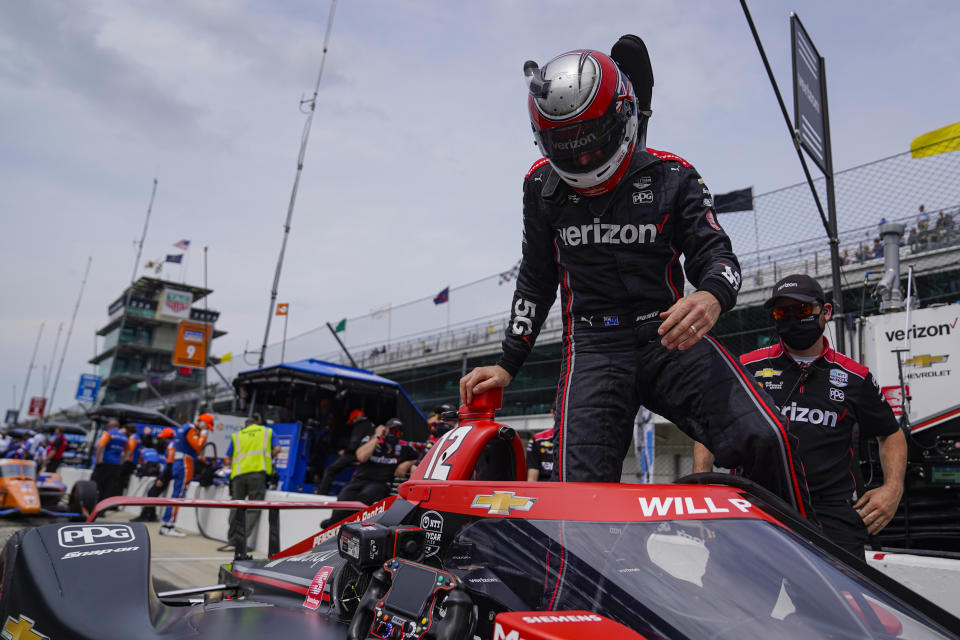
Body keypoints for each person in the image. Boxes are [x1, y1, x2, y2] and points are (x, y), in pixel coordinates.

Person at [459, 37, 814, 519]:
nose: (582, 160)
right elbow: (536, 279)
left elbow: (718, 256)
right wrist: (508, 363)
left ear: (624, 117)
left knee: (766, 437)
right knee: (575, 503)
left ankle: (807, 565)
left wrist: (712, 295)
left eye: (590, 143)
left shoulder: (675, 175)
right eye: (567, 146)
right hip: (592, 346)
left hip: (668, 335)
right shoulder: (540, 186)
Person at [693, 274, 906, 557]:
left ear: (826, 311)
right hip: (755, 506)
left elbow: (890, 433)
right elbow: (710, 426)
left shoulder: (855, 377)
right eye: (783, 311)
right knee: (738, 600)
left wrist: (893, 488)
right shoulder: (745, 367)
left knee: (834, 602)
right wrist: (702, 489)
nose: (792, 318)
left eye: (803, 310)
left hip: (829, 514)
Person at [320, 418, 417, 528]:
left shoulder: (404, 447)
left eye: (399, 432)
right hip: (359, 480)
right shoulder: (370, 439)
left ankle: (348, 526)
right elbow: (361, 457)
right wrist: (377, 437)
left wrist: (407, 463)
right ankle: (333, 524)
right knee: (344, 495)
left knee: (365, 497)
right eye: (392, 430)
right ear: (385, 430)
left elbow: (421, 458)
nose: (395, 434)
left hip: (381, 483)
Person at [224, 415, 279, 552]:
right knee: (254, 507)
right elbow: (277, 449)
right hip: (257, 474)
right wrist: (268, 457)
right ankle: (240, 542)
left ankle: (231, 540)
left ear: (246, 424)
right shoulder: (267, 432)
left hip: (238, 475)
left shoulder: (237, 436)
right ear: (258, 422)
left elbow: (228, 458)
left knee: (236, 506)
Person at [159, 413, 212, 537]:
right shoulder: (191, 429)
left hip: (180, 463)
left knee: (176, 494)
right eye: (207, 426)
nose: (207, 429)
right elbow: (198, 447)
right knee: (178, 496)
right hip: (184, 464)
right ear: (202, 422)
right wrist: (203, 434)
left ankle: (167, 524)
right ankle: (168, 526)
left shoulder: (183, 427)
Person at [315, 409, 375, 496]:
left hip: (356, 454)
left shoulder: (360, 425)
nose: (353, 422)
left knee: (330, 470)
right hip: (368, 455)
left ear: (358, 417)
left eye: (354, 420)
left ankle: (321, 494)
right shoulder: (371, 424)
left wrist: (345, 451)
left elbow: (354, 445)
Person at [131, 427, 175, 523]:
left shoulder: (171, 446)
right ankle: (151, 516)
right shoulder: (172, 445)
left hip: (168, 475)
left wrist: (162, 479)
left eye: (162, 437)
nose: (161, 439)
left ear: (166, 437)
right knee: (152, 493)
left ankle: (146, 516)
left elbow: (170, 465)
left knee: (152, 493)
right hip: (167, 473)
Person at [91, 419, 129, 500]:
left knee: (96, 485)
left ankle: (94, 506)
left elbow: (100, 446)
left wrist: (98, 460)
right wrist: (122, 461)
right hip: (116, 465)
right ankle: (102, 510)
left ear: (110, 426)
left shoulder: (108, 434)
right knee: (109, 487)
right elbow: (127, 451)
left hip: (105, 463)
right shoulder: (125, 437)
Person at [633, 406, 656, 483]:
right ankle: (645, 477)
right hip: (641, 425)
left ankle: (647, 479)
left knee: (646, 451)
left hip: (645, 427)